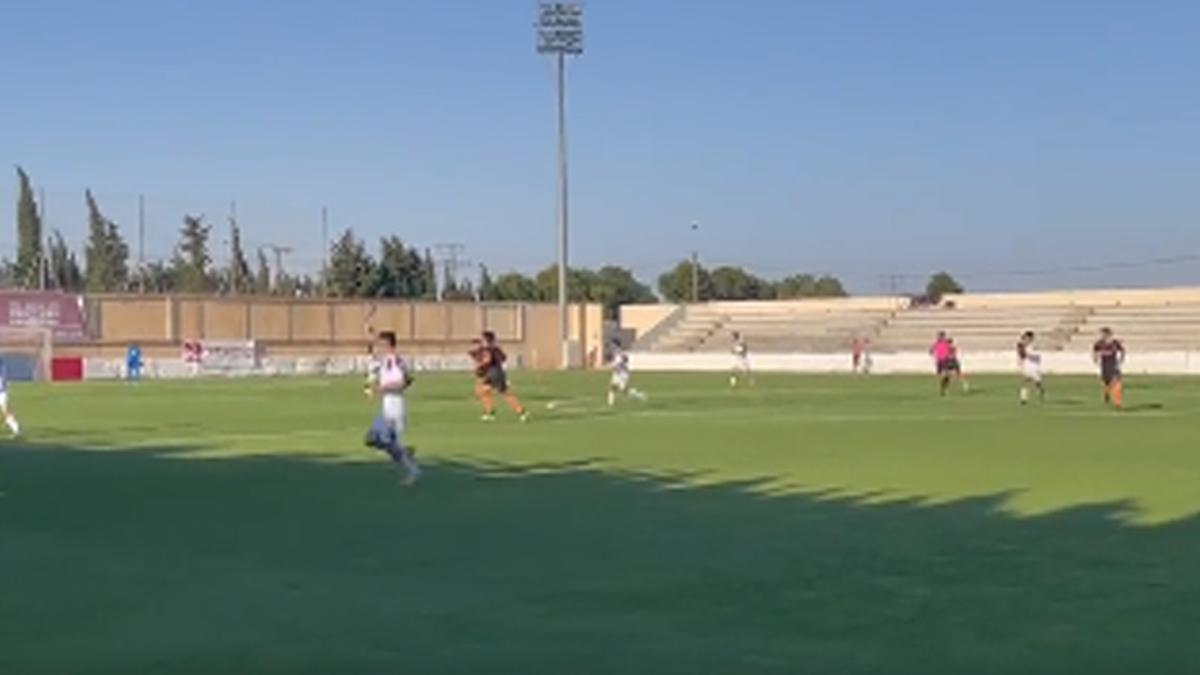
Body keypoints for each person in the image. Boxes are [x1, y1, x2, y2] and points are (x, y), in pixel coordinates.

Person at [362, 331, 421, 485]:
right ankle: (405, 454)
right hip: (386, 405)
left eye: (381, 345)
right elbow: (373, 361)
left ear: (388, 345)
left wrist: (383, 388)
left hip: (396, 406)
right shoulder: (384, 361)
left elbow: (403, 382)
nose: (379, 348)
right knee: (373, 439)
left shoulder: (397, 361)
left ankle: (412, 470)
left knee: (388, 442)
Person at [470, 331, 528, 422]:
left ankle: (521, 411)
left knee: (504, 393)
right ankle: (489, 412)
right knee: (483, 391)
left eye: (483, 339)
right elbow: (503, 359)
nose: (481, 340)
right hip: (495, 373)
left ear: (487, 339)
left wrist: (479, 366)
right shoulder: (493, 348)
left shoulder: (488, 349)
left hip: (493, 373)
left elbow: (487, 360)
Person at [1092, 327, 1126, 409]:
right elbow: (1095, 351)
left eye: (1104, 334)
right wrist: (1095, 358)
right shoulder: (1099, 343)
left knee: (1117, 383)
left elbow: (1122, 350)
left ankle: (1118, 403)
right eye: (1102, 334)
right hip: (1104, 367)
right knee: (1106, 385)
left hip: (1113, 366)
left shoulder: (1115, 343)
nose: (1102, 336)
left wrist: (1121, 359)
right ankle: (1107, 394)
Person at [607, 341, 647, 406]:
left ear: (616, 345)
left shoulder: (620, 353)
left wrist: (619, 364)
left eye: (612, 345)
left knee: (624, 391)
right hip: (617, 373)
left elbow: (625, 360)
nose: (611, 346)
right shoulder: (614, 353)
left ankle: (639, 395)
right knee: (612, 387)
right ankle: (610, 403)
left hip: (622, 373)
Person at [930, 332, 969, 396]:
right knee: (941, 376)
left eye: (941, 336)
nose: (939, 337)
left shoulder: (946, 343)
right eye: (939, 336)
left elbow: (953, 349)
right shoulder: (936, 344)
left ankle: (946, 388)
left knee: (948, 374)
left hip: (946, 361)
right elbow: (931, 350)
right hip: (939, 361)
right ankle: (944, 388)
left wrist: (951, 355)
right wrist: (933, 355)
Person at [1017, 331, 1045, 404]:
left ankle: (1040, 393)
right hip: (1028, 365)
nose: (1027, 339)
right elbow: (1023, 355)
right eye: (1026, 337)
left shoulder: (1034, 345)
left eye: (1028, 337)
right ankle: (1023, 398)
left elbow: (1037, 354)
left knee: (1037, 382)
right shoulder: (1024, 345)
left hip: (1035, 365)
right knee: (1026, 381)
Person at [0, 359, 21, 438]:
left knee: (5, 411)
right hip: (2, 391)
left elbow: (4, 381)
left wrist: (4, 387)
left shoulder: (2, 369)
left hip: (1, 392)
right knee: (5, 411)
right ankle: (15, 427)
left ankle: (16, 428)